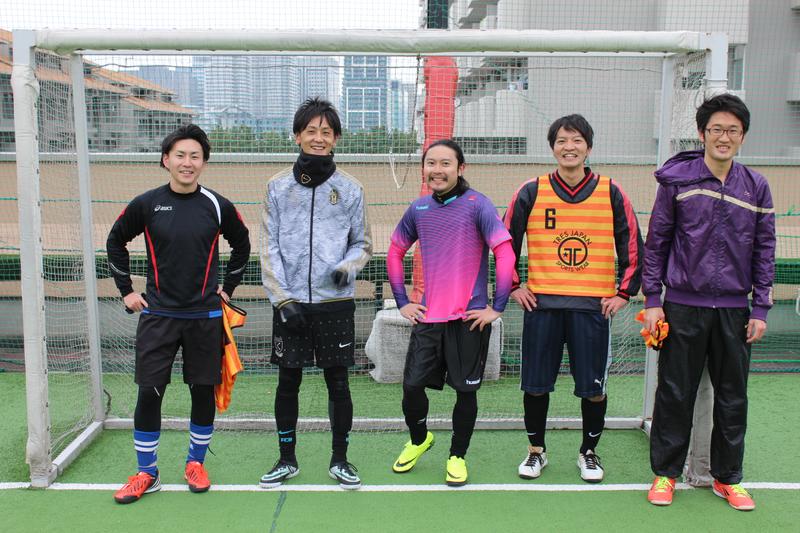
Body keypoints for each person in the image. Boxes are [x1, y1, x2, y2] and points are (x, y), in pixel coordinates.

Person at [643, 93, 775, 511]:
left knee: (733, 397)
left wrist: (760, 307)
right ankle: (666, 474)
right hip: (682, 306)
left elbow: (765, 250)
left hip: (735, 310)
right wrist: (653, 298)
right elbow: (657, 242)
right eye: (716, 129)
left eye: (732, 130)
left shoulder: (756, 186)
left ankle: (727, 478)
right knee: (674, 393)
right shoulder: (677, 182)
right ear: (702, 134)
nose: (724, 137)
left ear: (742, 137)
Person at [108, 124, 251, 504]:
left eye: (195, 156)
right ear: (166, 160)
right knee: (149, 393)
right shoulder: (147, 204)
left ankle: (195, 464)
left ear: (204, 162)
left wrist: (227, 289)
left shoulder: (217, 205)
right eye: (181, 155)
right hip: (158, 315)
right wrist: (127, 291)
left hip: (205, 317)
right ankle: (147, 472)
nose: (188, 162)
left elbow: (242, 245)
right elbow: (115, 241)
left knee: (202, 391)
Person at [504, 114, 643, 483]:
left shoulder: (611, 191)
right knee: (535, 385)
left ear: (588, 147)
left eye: (577, 140)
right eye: (562, 141)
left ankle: (589, 452)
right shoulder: (531, 190)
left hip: (592, 308)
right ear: (553, 148)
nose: (569, 147)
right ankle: (536, 451)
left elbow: (632, 243)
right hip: (542, 306)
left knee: (593, 389)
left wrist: (624, 292)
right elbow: (504, 242)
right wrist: (514, 285)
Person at [259, 97, 372, 490]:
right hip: (290, 303)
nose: (318, 138)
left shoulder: (351, 188)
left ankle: (340, 460)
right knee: (287, 382)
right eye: (311, 131)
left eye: (326, 132)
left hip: (334, 305)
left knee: (338, 383)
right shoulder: (277, 187)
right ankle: (286, 459)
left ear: (335, 139)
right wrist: (282, 298)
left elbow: (363, 243)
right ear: (297, 136)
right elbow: (268, 246)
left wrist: (347, 268)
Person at [387, 139, 515, 486]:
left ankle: (457, 456)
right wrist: (402, 300)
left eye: (445, 163)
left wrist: (497, 307)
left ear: (461, 168)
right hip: (429, 317)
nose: (437, 170)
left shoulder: (478, 204)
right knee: (412, 386)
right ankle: (419, 439)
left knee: (465, 391)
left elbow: (505, 253)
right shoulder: (418, 208)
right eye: (431, 163)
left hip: (468, 319)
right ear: (424, 168)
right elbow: (395, 250)